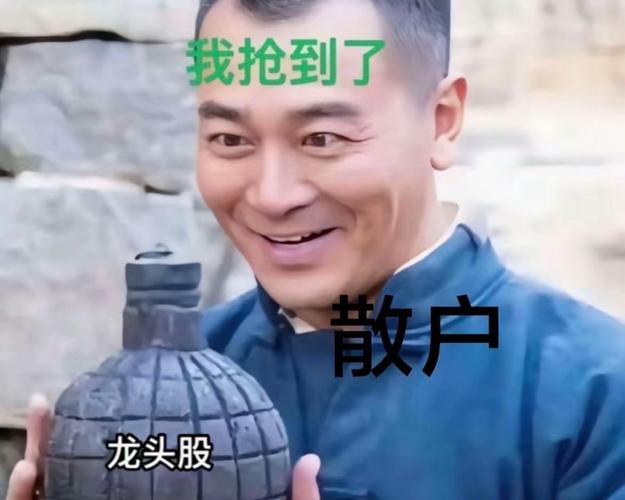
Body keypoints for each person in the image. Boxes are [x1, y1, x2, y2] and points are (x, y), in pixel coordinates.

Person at [7, 0, 625, 498]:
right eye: (230, 139)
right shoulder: (166, 399)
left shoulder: (592, 392)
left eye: (322, 138)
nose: (272, 196)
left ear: (441, 121)